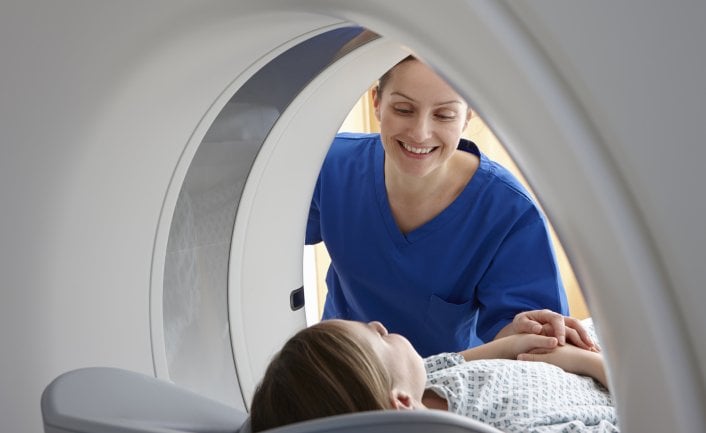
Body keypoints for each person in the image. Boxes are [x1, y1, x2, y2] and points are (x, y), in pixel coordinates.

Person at [306, 54, 590, 356]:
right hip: (342, 365)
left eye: (444, 115)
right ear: (376, 102)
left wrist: (523, 329)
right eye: (403, 109)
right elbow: (273, 234)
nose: (420, 133)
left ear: (468, 116)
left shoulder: (507, 211)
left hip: (444, 378)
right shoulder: (329, 166)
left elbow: (526, 336)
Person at [250, 319, 616, 433]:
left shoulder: (421, 383)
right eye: (379, 338)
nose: (378, 324)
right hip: (617, 377)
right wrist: (589, 363)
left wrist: (518, 340)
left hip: (590, 342)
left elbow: (465, 359)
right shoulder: (502, 423)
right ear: (401, 403)